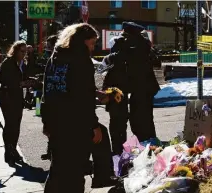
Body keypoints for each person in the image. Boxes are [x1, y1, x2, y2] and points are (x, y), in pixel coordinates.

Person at [41, 23, 103, 193]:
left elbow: (48, 91)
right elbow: (84, 98)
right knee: (75, 172)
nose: (92, 47)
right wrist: (94, 125)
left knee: (57, 169)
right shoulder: (81, 60)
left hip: (55, 123)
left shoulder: (54, 58)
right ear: (82, 41)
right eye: (91, 43)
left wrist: (46, 122)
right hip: (75, 125)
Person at [102, 22, 160, 155]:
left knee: (120, 123)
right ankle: (145, 150)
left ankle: (121, 152)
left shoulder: (125, 45)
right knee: (140, 121)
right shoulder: (143, 45)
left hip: (125, 88)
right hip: (134, 89)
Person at [0, 40, 32, 165]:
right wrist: (18, 83)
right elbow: (1, 79)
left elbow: (24, 76)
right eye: (22, 51)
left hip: (17, 97)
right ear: (15, 51)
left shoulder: (22, 63)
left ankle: (13, 149)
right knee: (10, 123)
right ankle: (8, 151)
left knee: (16, 124)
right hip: (7, 97)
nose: (24, 54)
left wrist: (29, 81)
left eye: (25, 52)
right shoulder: (8, 62)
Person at [41, 35, 58, 161]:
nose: (47, 48)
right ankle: (50, 151)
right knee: (48, 129)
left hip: (56, 102)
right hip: (47, 100)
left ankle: (54, 153)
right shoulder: (50, 60)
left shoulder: (61, 60)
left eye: (49, 46)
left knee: (54, 130)